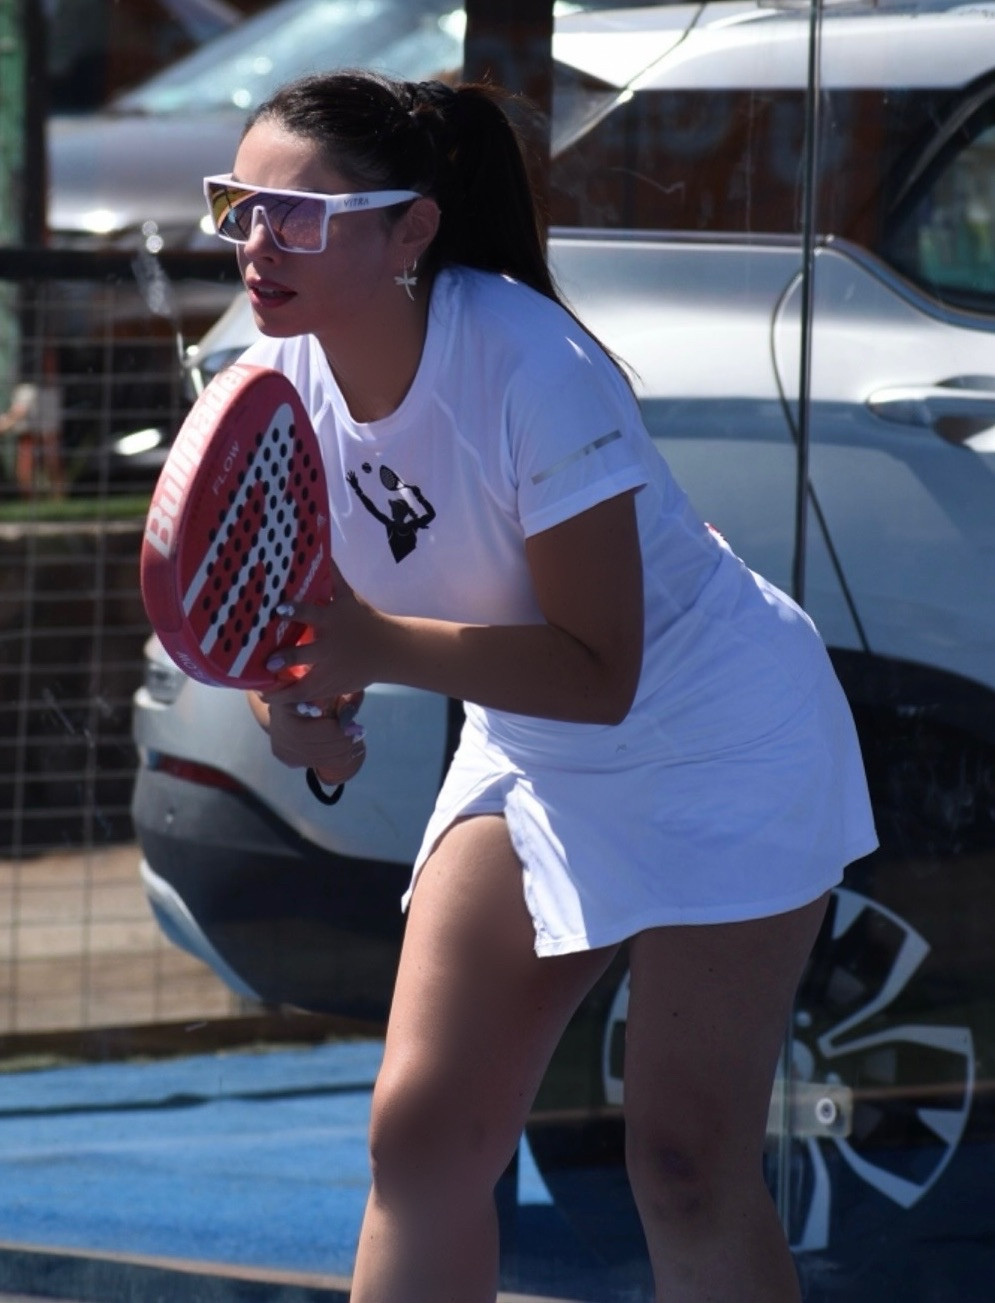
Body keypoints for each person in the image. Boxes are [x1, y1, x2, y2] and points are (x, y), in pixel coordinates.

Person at [205, 70, 878, 1302]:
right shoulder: (269, 381)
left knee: (684, 1162)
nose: (256, 240)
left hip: (727, 738)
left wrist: (370, 649)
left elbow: (599, 670)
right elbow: (296, 620)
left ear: (410, 231)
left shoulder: (530, 363)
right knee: (419, 1138)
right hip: (532, 745)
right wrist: (294, 706)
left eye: (295, 213)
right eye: (238, 206)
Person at [0, 346, 66, 500]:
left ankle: (56, 498)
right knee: (29, 447)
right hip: (31, 385)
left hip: (40, 387)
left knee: (49, 446)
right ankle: (33, 499)